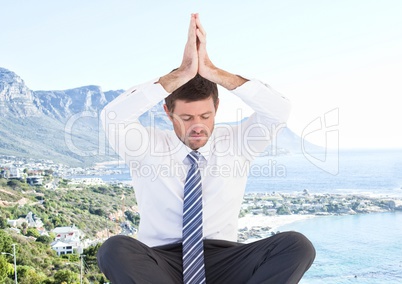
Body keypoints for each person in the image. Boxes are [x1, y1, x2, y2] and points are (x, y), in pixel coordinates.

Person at [97, 13, 315, 284]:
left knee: (297, 245)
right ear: (167, 112)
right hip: (162, 262)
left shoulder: (237, 143)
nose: (197, 126)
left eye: (205, 116)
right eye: (186, 118)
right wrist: (180, 74)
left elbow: (279, 111)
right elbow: (113, 117)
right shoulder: (146, 147)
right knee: (113, 249)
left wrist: (215, 72)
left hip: (225, 259)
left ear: (217, 108)